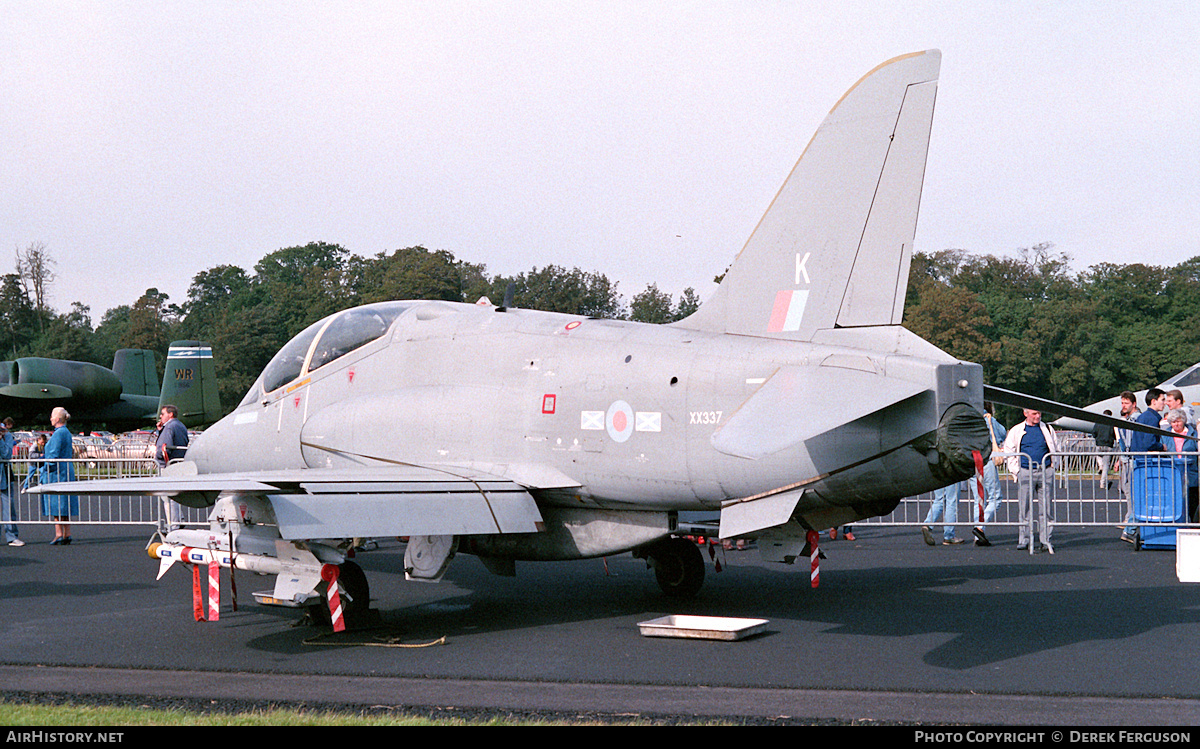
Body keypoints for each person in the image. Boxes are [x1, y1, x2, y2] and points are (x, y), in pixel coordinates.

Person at [1003, 408, 1061, 552]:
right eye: (1034, 414)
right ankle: (1024, 539)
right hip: (1025, 471)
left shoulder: (1047, 429)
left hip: (1045, 470)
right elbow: (1009, 451)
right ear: (1026, 414)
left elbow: (1056, 447)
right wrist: (1017, 470)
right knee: (1024, 508)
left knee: (1046, 508)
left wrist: (1054, 466)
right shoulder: (1016, 430)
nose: (1038, 416)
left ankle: (1045, 539)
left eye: (1039, 413)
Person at [1122, 388, 1167, 544]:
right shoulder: (1151, 418)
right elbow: (1149, 442)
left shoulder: (1143, 416)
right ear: (1153, 401)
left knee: (1141, 496)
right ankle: (1130, 529)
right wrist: (1162, 447)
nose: (1164, 403)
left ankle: (1131, 528)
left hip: (1138, 461)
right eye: (1162, 400)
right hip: (1145, 462)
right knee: (1144, 497)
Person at [40, 407, 77, 545]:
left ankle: (58, 533)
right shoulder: (66, 432)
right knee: (65, 503)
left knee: (56, 503)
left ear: (57, 419)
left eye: (52, 416)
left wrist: (44, 468)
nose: (50, 419)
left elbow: (53, 455)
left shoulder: (58, 434)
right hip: (66, 469)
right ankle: (67, 533)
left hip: (57, 473)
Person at [972, 402, 1007, 547]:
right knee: (995, 498)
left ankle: (978, 533)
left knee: (979, 500)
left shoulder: (968, 417)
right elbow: (1002, 433)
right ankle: (980, 526)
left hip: (971, 460)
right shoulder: (988, 419)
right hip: (986, 459)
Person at [1162, 408, 1199, 523]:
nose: (1176, 424)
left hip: (1191, 472)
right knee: (1176, 502)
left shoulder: (1193, 433)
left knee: (1192, 502)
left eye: (1178, 421)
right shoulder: (1165, 435)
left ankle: (1193, 526)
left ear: (1183, 420)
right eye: (1173, 422)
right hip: (1173, 474)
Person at [922, 481, 963, 545]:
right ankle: (949, 535)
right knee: (952, 502)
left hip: (938, 473)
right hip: (952, 474)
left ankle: (928, 524)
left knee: (939, 500)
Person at [0, 417, 21, 546]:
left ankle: (11, 536)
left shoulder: (7, 436)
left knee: (8, 506)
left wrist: (0, 440)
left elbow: (7, 454)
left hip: (5, 474)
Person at [1093, 410, 1116, 487]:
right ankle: (1102, 483)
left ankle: (1100, 465)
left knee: (1098, 455)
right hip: (1108, 445)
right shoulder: (1112, 424)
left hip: (1099, 444)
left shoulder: (1098, 423)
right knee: (1106, 465)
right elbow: (1114, 434)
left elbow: (1094, 433)